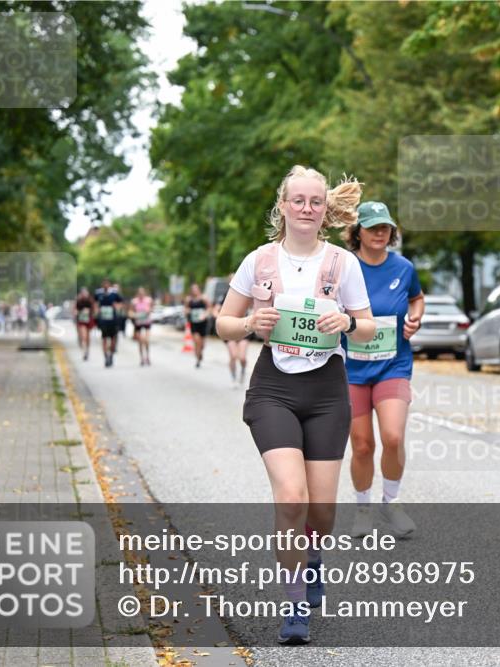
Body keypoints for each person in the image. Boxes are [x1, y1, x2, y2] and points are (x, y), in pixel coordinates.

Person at [217, 165, 373, 645]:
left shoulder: (342, 263)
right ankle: (294, 602)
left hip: (326, 391)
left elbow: (369, 328)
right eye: (298, 200)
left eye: (316, 201)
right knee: (291, 495)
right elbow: (223, 322)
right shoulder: (258, 261)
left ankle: (313, 554)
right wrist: (249, 325)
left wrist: (345, 323)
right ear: (282, 206)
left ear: (325, 211)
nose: (307, 208)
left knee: (321, 512)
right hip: (273, 388)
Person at [342, 201, 424, 539]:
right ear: (357, 231)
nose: (380, 232)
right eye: (373, 226)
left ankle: (391, 502)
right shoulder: (344, 267)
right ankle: (363, 508)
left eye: (385, 227)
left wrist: (415, 318)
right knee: (362, 445)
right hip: (351, 368)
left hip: (393, 364)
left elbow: (416, 298)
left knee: (392, 436)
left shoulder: (403, 268)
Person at [216, 276, 249, 386]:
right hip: (231, 330)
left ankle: (243, 371)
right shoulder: (225, 296)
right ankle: (234, 378)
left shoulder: (248, 292)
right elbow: (215, 310)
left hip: (244, 328)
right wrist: (220, 319)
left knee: (243, 358)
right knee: (234, 355)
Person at [95, 278, 124, 367]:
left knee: (113, 339)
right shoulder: (99, 293)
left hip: (113, 320)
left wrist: (117, 307)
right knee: (103, 339)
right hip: (103, 320)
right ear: (102, 285)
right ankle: (106, 357)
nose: (105, 286)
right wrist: (96, 311)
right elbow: (95, 303)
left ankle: (111, 354)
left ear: (109, 285)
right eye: (104, 284)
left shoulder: (114, 294)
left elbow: (121, 303)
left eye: (107, 284)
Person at [184, 284, 211, 368]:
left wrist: (205, 315)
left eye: (196, 289)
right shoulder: (189, 300)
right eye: (193, 289)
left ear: (199, 290)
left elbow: (209, 308)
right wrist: (187, 311)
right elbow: (186, 309)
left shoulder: (204, 298)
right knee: (197, 341)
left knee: (202, 344)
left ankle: (200, 353)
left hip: (203, 323)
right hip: (194, 323)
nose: (194, 291)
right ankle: (197, 360)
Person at [129, 287, 154, 366]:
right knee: (140, 341)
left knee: (146, 340)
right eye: (139, 293)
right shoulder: (134, 301)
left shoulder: (149, 300)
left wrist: (149, 311)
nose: (141, 295)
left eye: (142, 293)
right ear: (137, 294)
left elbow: (152, 308)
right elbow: (130, 312)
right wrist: (134, 315)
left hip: (146, 322)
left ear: (144, 293)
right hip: (138, 323)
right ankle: (142, 358)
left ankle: (147, 356)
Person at [74, 287, 95, 361]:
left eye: (85, 293)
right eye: (83, 293)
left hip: (88, 320)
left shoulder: (90, 300)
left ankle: (87, 350)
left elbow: (93, 309)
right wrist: (77, 312)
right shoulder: (78, 301)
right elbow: (75, 309)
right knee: (83, 336)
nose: (84, 294)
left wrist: (89, 311)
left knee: (88, 337)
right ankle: (84, 351)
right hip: (81, 321)